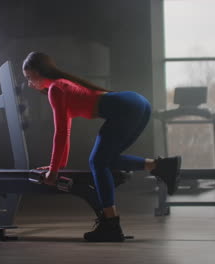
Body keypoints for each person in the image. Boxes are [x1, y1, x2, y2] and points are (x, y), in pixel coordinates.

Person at [22, 51, 181, 242]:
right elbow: (67, 132)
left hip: (126, 108)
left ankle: (111, 224)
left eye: (29, 77)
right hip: (137, 104)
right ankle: (162, 166)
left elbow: (61, 133)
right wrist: (58, 166)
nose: (29, 83)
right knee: (106, 160)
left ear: (38, 72)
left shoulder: (56, 89)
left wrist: (53, 172)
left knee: (97, 162)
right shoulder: (62, 85)